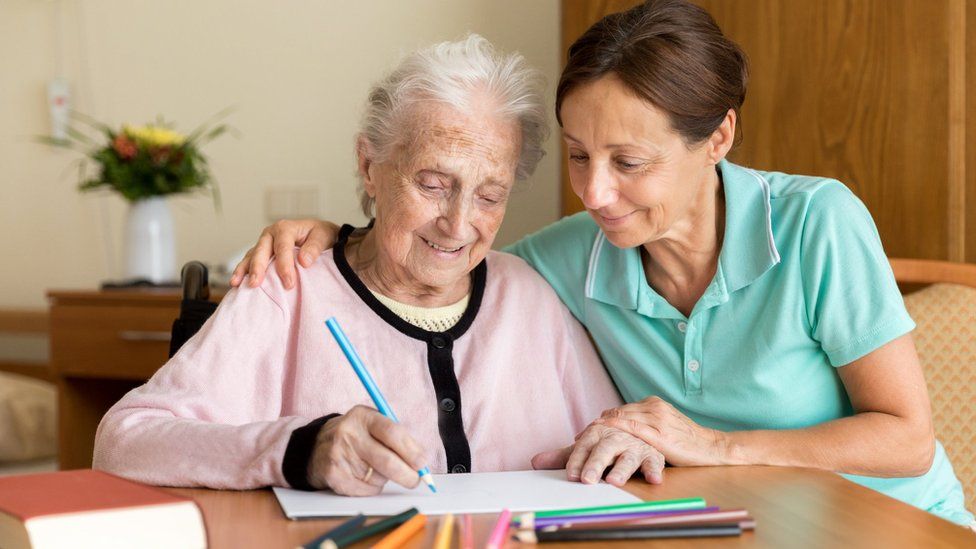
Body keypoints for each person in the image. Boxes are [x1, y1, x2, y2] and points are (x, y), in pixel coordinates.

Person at [232, 0, 975, 526]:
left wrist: (711, 444)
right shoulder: (570, 255)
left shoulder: (819, 223)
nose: (595, 191)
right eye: (581, 156)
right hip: (730, 529)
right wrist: (345, 230)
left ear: (718, 138)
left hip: (889, 524)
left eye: (629, 161)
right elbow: (443, 263)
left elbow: (905, 438)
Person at [92, 35, 638, 496]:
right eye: (432, 184)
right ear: (369, 165)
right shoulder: (289, 285)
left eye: (490, 195)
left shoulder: (529, 296)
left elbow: (617, 438)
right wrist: (299, 449)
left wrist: (624, 446)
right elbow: (124, 438)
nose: (457, 223)